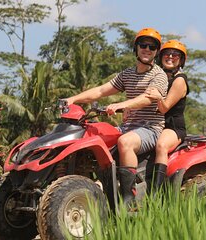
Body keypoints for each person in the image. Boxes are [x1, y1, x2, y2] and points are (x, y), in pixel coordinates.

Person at [64, 28, 168, 205]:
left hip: (151, 128)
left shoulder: (159, 75)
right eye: (143, 45)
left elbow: (147, 98)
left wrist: (122, 105)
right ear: (136, 48)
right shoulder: (127, 74)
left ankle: (129, 199)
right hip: (129, 127)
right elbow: (101, 90)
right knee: (90, 137)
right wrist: (72, 99)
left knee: (125, 142)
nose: (147, 49)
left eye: (152, 47)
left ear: (156, 52)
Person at [146, 40, 189, 192]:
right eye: (166, 53)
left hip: (172, 126)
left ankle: (155, 194)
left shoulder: (179, 80)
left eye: (175, 54)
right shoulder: (157, 76)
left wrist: (158, 97)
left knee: (161, 145)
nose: (170, 56)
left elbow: (164, 108)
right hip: (152, 123)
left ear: (181, 59)